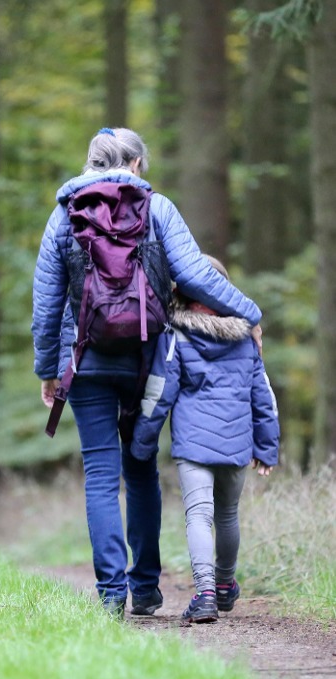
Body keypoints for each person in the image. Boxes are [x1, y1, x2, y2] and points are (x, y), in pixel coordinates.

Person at [32, 127, 263, 619]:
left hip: (86, 360)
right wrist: (250, 313)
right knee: (140, 469)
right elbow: (198, 275)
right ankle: (146, 588)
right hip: (147, 360)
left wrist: (48, 369)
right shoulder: (158, 208)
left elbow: (47, 302)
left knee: (99, 473)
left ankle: (111, 594)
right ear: (136, 163)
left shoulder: (63, 215)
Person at [130, 256, 279, 623]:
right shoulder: (246, 337)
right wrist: (267, 446)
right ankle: (226, 585)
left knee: (199, 515)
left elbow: (159, 392)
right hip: (237, 442)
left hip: (194, 446)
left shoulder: (176, 335)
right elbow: (264, 396)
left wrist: (142, 442)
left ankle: (206, 594)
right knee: (227, 515)